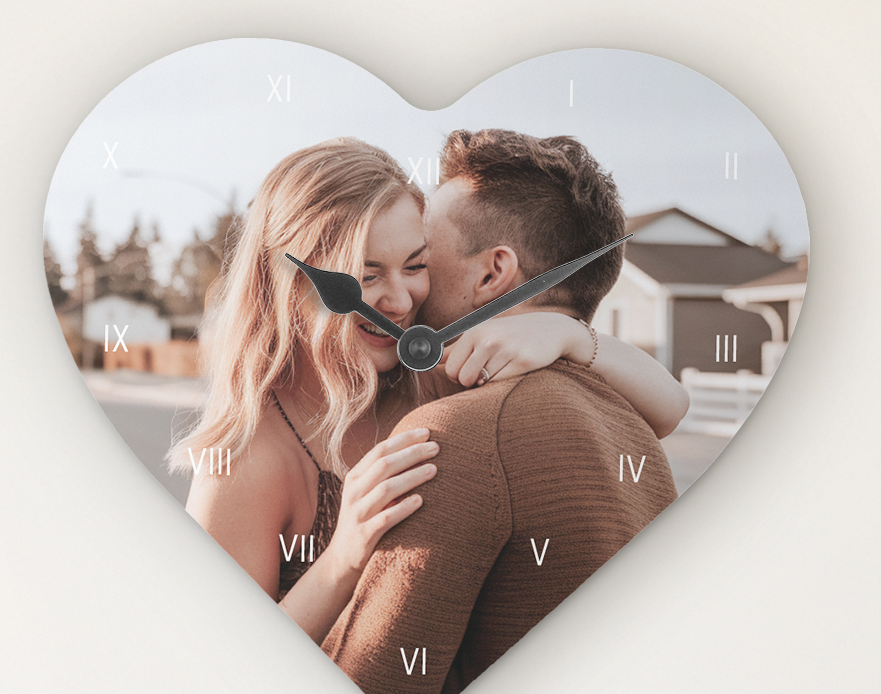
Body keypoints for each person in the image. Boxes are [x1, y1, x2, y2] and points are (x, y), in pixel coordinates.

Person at [171, 139, 688, 647]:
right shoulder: (245, 460)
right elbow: (223, 671)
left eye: (416, 267)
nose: (399, 301)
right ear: (290, 284)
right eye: (366, 275)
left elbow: (668, 408)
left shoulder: (430, 377)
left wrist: (569, 334)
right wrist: (343, 557)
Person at [324, 129, 678, 694]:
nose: (408, 285)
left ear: (494, 274)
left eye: (421, 256)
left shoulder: (457, 439)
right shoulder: (629, 418)